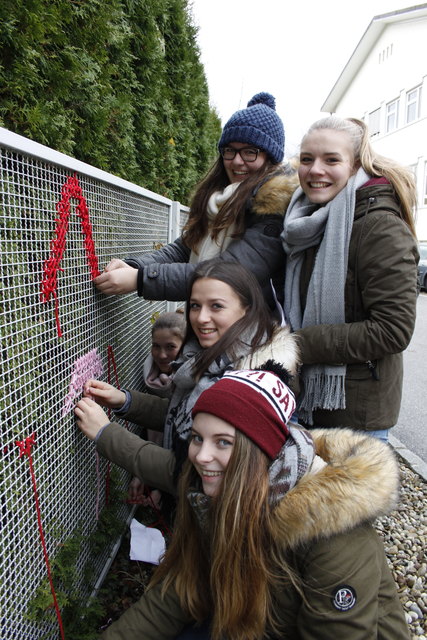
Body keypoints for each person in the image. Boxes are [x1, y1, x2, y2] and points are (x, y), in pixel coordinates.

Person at [92, 369, 409, 640]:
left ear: (262, 450)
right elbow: (183, 591)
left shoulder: (334, 532)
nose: (201, 456)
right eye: (197, 438)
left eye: (223, 442)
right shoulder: (217, 491)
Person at [75, 260, 298, 492]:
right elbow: (185, 416)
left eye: (216, 306)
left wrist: (106, 434)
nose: (201, 318)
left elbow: (187, 475)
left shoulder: (250, 384)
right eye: (194, 305)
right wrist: (125, 401)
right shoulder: (210, 356)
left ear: (247, 310)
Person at [93, 92, 299, 313]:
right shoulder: (218, 200)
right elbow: (184, 248)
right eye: (230, 151)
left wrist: (140, 279)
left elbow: (227, 273)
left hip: (249, 331)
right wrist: (136, 266)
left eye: (250, 152)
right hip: (211, 320)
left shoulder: (273, 209)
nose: (237, 161)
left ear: (270, 157)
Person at [281, 116, 419, 439]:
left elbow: (392, 330)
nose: (315, 170)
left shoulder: (379, 226)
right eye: (306, 159)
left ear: (355, 165)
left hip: (357, 417)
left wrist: (300, 345)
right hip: (305, 403)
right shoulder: (305, 219)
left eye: (331, 160)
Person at [128, 310, 186, 506]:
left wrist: (162, 490)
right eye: (156, 346)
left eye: (170, 347)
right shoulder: (151, 378)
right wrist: (142, 475)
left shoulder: (188, 384)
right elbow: (152, 432)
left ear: (185, 347)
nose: (161, 355)